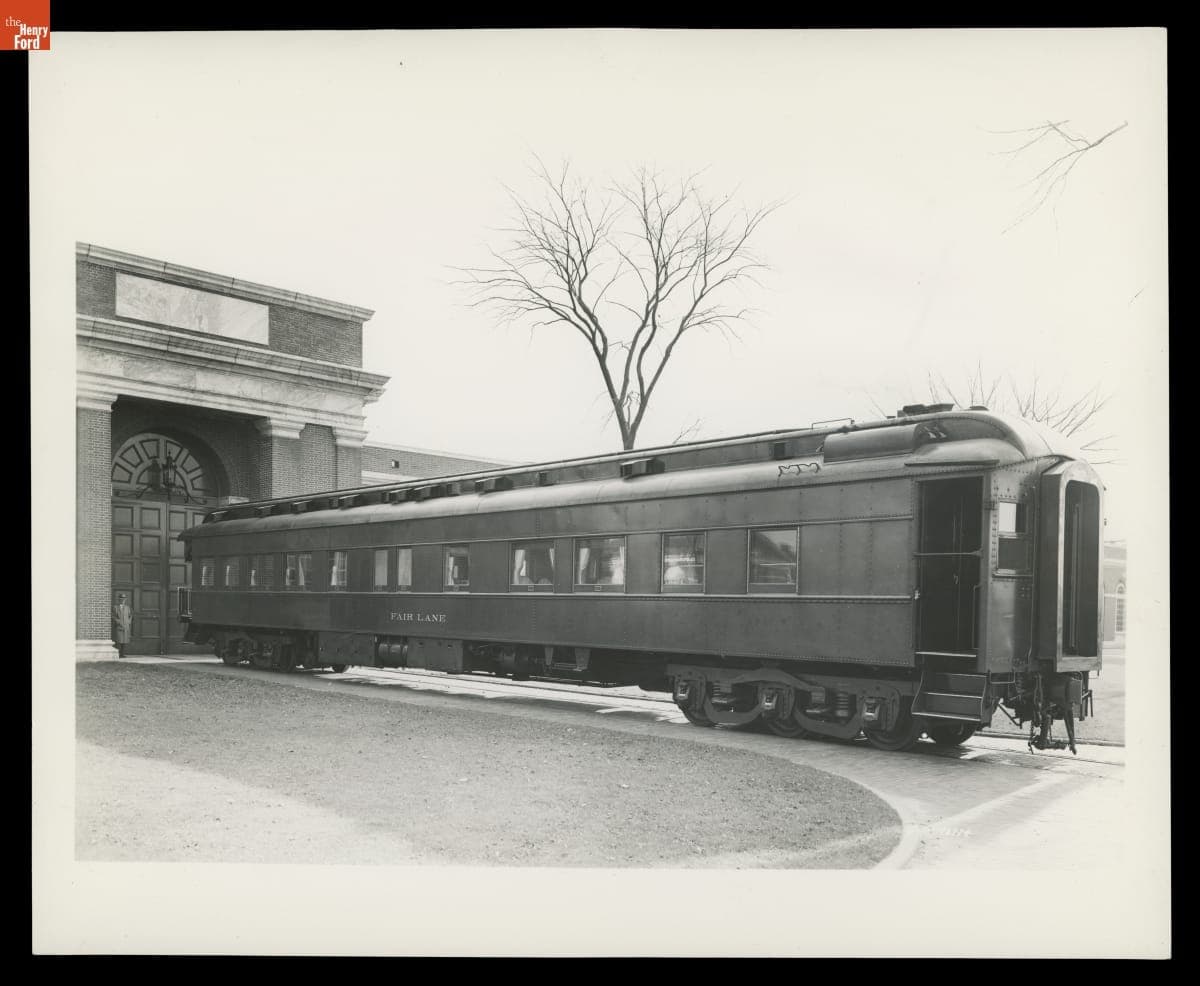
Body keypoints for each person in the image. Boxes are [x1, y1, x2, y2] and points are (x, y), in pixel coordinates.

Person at [112, 593, 133, 659]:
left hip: (126, 626)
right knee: (119, 640)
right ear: (119, 599)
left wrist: (128, 622)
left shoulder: (127, 607)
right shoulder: (115, 607)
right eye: (121, 599)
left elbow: (130, 616)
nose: (122, 600)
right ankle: (117, 654)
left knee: (124, 640)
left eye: (123, 599)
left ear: (125, 600)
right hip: (119, 626)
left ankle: (122, 654)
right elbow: (113, 616)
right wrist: (118, 622)